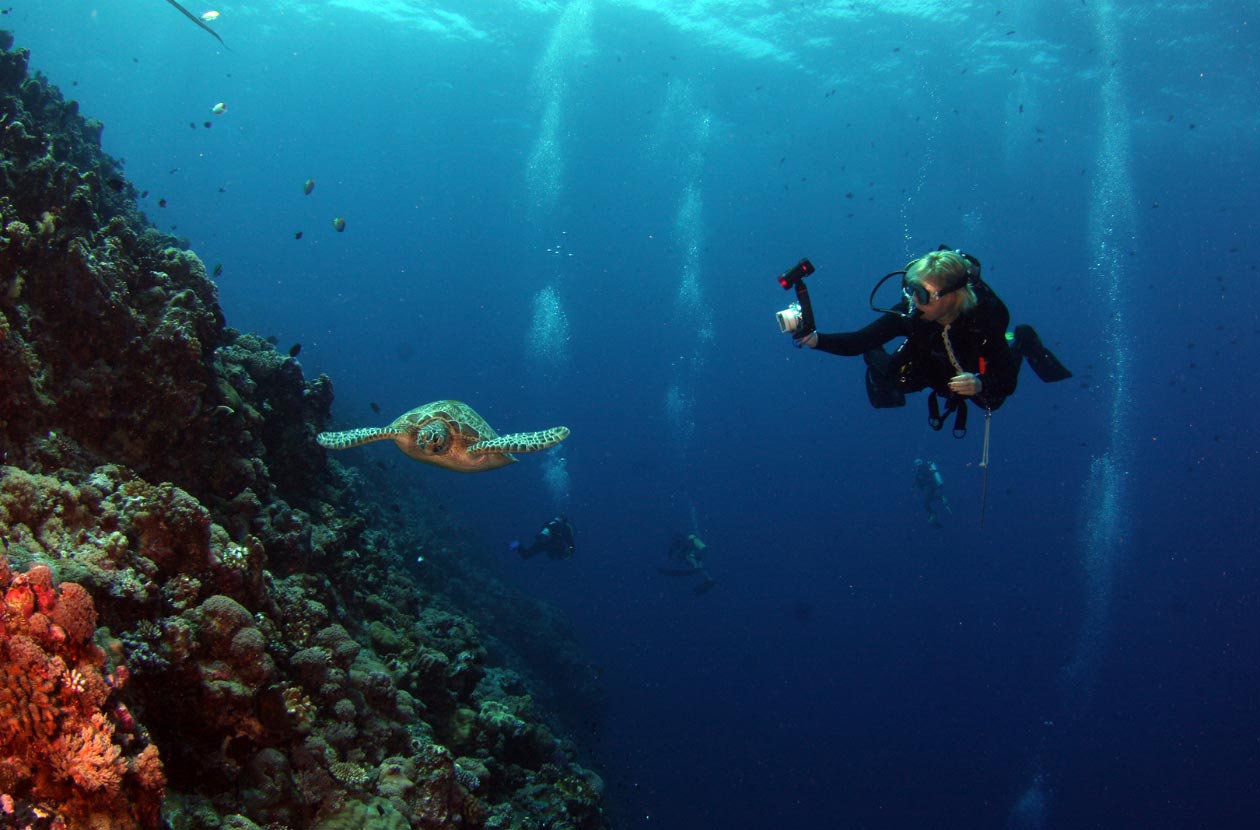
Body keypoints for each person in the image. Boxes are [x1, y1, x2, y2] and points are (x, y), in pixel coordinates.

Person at [793, 247, 1070, 434]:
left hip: (970, 364)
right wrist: (815, 340)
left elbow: (1007, 380)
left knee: (991, 402)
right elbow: (858, 341)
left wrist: (980, 382)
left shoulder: (983, 319)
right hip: (931, 357)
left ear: (951, 296)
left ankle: (1022, 340)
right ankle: (884, 361)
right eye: (911, 289)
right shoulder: (912, 312)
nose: (913, 300)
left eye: (922, 295)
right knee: (896, 379)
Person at [508, 516, 575, 561]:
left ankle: (518, 545)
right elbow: (570, 542)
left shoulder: (550, 523)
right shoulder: (564, 528)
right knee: (558, 554)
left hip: (542, 540)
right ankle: (556, 554)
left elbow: (542, 528)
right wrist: (571, 550)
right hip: (551, 543)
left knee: (526, 555)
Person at [913, 458, 951, 528]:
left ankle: (933, 514)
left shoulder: (921, 469)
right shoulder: (925, 468)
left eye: (918, 462)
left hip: (928, 486)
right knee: (930, 498)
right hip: (931, 486)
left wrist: (916, 485)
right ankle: (941, 499)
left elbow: (919, 480)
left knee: (926, 503)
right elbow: (919, 480)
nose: (918, 464)